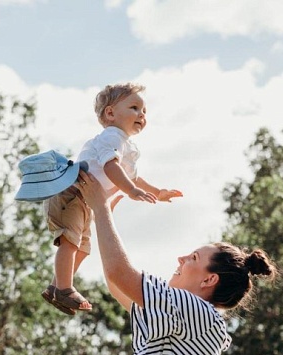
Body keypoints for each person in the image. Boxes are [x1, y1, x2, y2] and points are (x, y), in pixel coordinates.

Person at [75, 170, 279, 355]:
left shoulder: (197, 310)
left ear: (209, 279)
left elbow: (120, 273)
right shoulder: (182, 315)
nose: (180, 258)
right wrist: (102, 216)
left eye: (193, 257)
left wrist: (101, 207)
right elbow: (117, 286)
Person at [42, 82, 183, 315]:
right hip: (72, 192)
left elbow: (135, 178)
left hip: (86, 200)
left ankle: (57, 286)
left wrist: (158, 192)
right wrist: (129, 190)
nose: (142, 115)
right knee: (70, 241)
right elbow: (111, 167)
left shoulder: (126, 145)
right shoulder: (111, 137)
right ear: (110, 113)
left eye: (144, 111)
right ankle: (65, 288)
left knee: (84, 248)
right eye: (135, 108)